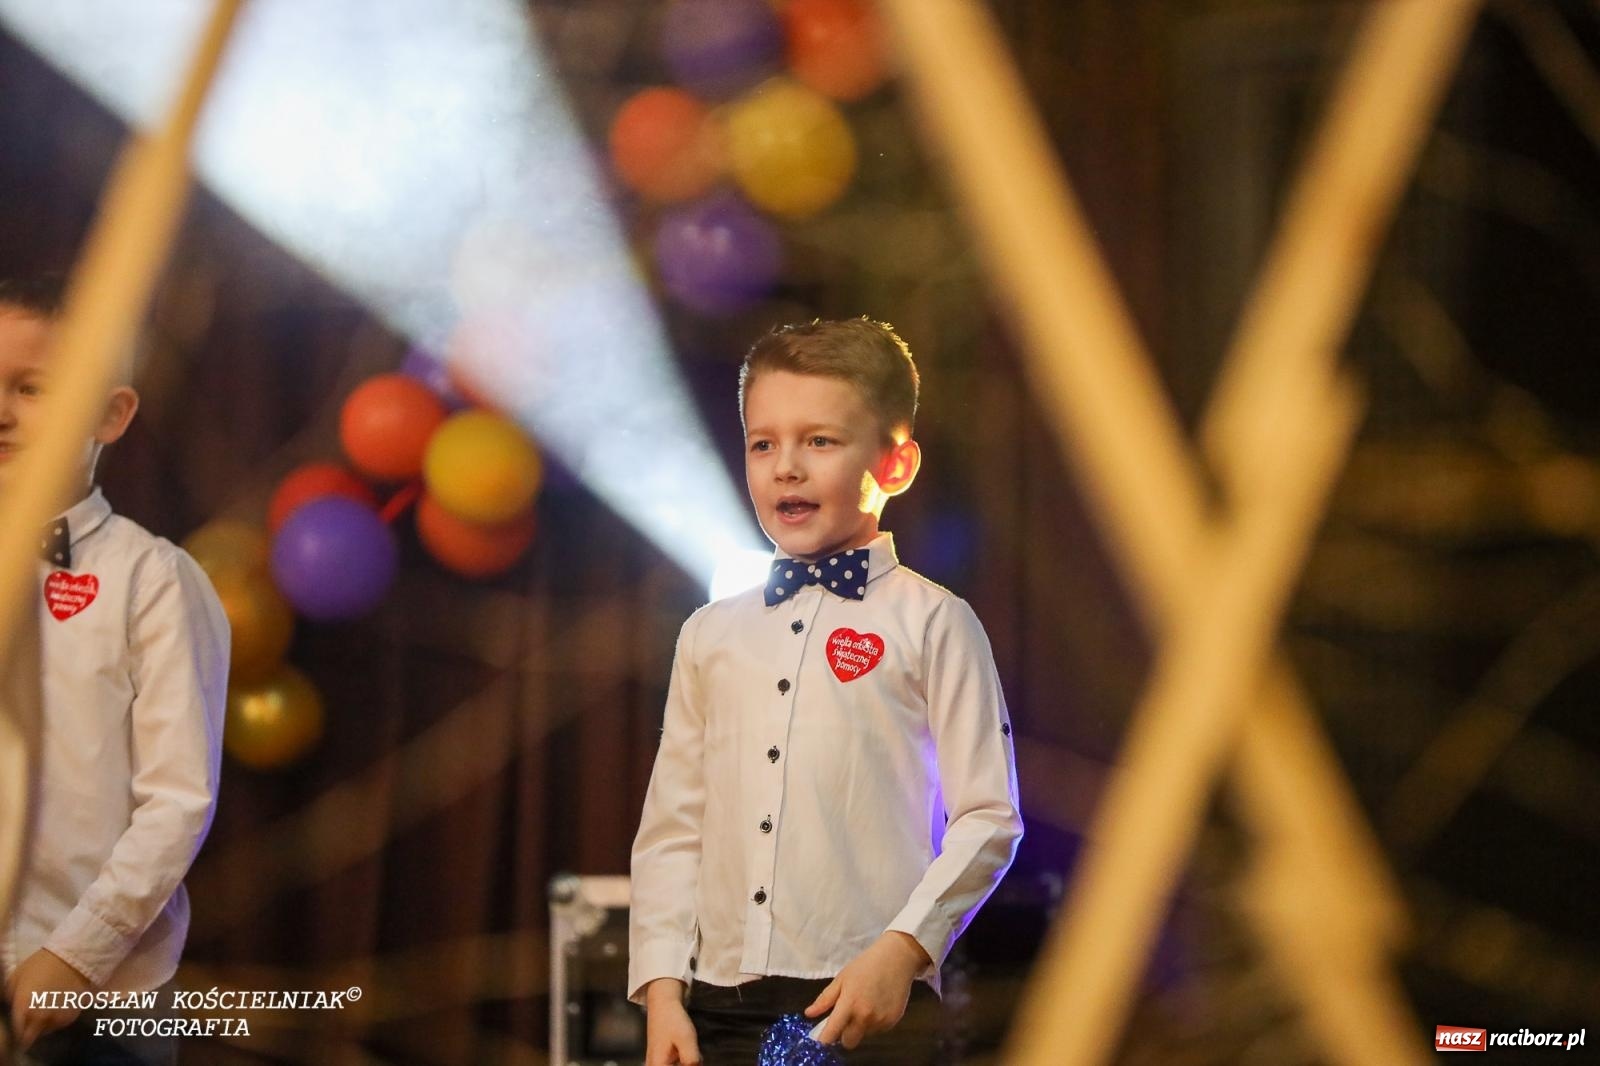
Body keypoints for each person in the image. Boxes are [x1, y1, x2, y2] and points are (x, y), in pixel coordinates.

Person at [629, 318, 1023, 1065]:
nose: (786, 468)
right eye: (763, 443)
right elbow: (674, 826)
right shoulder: (709, 634)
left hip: (868, 1000)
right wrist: (660, 989)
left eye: (820, 441)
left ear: (897, 464)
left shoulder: (935, 621)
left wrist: (903, 950)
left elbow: (989, 816)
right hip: (717, 1004)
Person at [0, 275, 229, 1065]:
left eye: (33, 389)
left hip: (102, 1007)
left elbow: (177, 803)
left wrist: (73, 957)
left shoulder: (155, 579)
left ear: (111, 413)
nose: (0, 412)